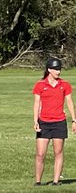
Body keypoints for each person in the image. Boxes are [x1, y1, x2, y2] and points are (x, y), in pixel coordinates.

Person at [33, 57, 76, 186]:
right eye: (56, 69)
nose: (58, 71)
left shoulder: (65, 85)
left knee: (58, 152)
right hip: (44, 123)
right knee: (40, 154)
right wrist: (35, 121)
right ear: (49, 70)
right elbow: (36, 104)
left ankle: (56, 181)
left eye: (59, 69)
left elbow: (69, 103)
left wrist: (74, 120)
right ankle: (38, 181)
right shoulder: (40, 85)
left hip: (59, 122)